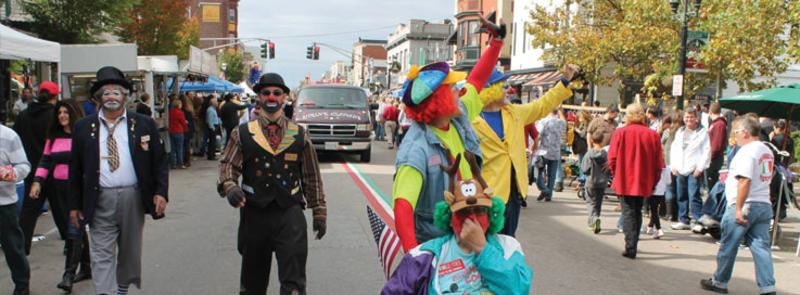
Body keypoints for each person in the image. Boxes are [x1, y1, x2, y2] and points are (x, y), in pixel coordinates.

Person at [393, 14, 505, 252]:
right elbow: (403, 206)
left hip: (470, 234)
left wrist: (496, 41)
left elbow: (476, 80)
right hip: (437, 244)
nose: (459, 90)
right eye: (453, 88)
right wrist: (414, 257)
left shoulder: (459, 115)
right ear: (440, 100)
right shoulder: (416, 149)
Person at [218, 72, 326, 295]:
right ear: (258, 97)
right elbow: (227, 165)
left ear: (285, 97)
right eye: (266, 92)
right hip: (255, 214)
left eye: (277, 93)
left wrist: (319, 211)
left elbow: (311, 176)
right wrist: (230, 186)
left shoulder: (299, 135)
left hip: (290, 214)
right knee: (252, 283)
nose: (271, 97)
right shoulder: (243, 133)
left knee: (294, 284)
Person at [69, 66, 169, 295]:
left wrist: (161, 192)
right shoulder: (83, 127)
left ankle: (121, 289)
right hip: (99, 197)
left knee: (129, 251)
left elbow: (159, 161)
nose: (111, 96)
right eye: (106, 92)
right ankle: (106, 292)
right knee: (100, 252)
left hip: (132, 196)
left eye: (116, 92)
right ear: (98, 98)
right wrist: (74, 205)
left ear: (125, 96)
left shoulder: (143, 123)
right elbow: (74, 169)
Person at [382, 153, 532, 294]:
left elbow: (519, 288)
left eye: (479, 210)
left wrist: (482, 248)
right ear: (449, 219)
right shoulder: (425, 256)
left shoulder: (508, 247)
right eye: (462, 212)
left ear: (491, 215)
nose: (472, 218)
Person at [472, 66, 579, 236]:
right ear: (490, 90)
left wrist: (564, 81)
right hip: (486, 194)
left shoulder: (513, 112)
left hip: (513, 193)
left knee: (509, 244)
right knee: (484, 245)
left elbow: (542, 106)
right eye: (504, 86)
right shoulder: (471, 121)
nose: (510, 90)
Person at [700, 116, 777, 295]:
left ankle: (720, 281)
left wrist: (739, 208)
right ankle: (768, 286)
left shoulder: (747, 151)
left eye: (736, 132)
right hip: (762, 203)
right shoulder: (766, 150)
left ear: (744, 132)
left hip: (746, 203)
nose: (735, 136)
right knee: (761, 247)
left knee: (729, 245)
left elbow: (744, 180)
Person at [29, 100, 92, 293]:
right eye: (59, 113)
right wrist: (37, 181)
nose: (62, 116)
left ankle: (68, 275)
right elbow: (45, 160)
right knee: (75, 227)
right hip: (60, 189)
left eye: (66, 112)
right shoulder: (53, 137)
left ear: (73, 114)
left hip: (80, 189)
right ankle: (87, 266)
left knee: (73, 228)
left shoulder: (83, 134)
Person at [14, 81, 65, 255]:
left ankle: (22, 244)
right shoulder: (55, 116)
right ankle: (70, 243)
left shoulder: (23, 115)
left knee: (29, 209)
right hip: (53, 167)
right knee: (60, 206)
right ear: (55, 96)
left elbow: (16, 138)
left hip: (31, 168)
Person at [607, 103, 664, 259]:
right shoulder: (652, 135)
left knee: (628, 212)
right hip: (644, 180)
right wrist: (654, 181)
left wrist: (616, 174)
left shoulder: (620, 133)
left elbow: (611, 158)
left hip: (625, 178)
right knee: (637, 211)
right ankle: (633, 243)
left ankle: (630, 244)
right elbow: (659, 163)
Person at [0, 123, 32, 295]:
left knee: (12, 246)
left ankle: (21, 285)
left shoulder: (8, 136)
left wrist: (5, 173)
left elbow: (24, 166)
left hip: (4, 203)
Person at [670, 108, 711, 232]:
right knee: (681, 195)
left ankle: (698, 220)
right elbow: (674, 149)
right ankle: (683, 220)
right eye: (686, 117)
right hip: (680, 168)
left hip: (693, 169)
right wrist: (673, 165)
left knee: (694, 195)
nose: (689, 119)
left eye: (691, 117)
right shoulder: (680, 132)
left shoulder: (702, 132)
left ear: (696, 118)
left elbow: (707, 151)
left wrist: (700, 167)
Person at [535, 109, 567, 202]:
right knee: (552, 175)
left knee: (538, 172)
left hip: (544, 151)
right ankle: (549, 195)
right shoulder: (561, 122)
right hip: (556, 152)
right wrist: (560, 110)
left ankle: (544, 189)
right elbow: (564, 121)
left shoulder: (544, 121)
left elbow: (538, 135)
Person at [581, 131, 610, 234]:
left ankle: (594, 219)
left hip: (591, 181)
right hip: (602, 183)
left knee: (590, 202)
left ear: (592, 140)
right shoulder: (605, 154)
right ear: (602, 141)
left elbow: (584, 169)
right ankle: (595, 220)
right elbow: (609, 168)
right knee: (598, 202)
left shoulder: (589, 154)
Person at [707, 102, 728, 190]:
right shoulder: (715, 123)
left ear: (710, 112)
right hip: (713, 157)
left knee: (713, 183)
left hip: (715, 158)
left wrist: (710, 157)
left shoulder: (719, 124)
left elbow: (716, 144)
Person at [168, 98, 187, 169]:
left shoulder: (171, 112)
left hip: (171, 131)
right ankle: (180, 163)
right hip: (179, 131)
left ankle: (173, 164)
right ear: (179, 105)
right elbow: (183, 122)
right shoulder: (180, 112)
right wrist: (186, 129)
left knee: (172, 148)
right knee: (180, 148)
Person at [203, 95, 222, 160]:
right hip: (212, 127)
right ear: (213, 103)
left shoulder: (212, 109)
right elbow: (210, 120)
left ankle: (212, 155)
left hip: (214, 125)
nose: (217, 103)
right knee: (212, 142)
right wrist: (212, 128)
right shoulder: (210, 110)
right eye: (216, 102)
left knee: (212, 141)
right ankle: (211, 155)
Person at [181, 94, 196, 168]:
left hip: (184, 130)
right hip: (188, 129)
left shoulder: (183, 111)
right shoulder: (189, 110)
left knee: (184, 145)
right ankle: (187, 160)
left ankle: (185, 160)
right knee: (186, 145)